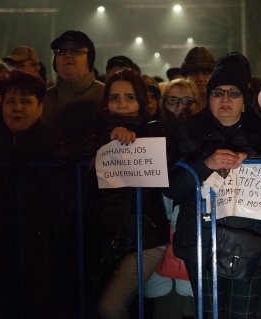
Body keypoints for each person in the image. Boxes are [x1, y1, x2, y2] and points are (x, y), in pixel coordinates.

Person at [165, 52, 261, 318]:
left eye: (233, 93)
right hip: (201, 241)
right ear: (208, 98)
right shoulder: (187, 131)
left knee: (243, 314)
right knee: (209, 314)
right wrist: (205, 164)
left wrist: (253, 162)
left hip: (251, 242)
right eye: (217, 92)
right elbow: (172, 187)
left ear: (245, 100)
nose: (225, 99)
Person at [0, 70, 76, 318]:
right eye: (10, 101)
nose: (16, 108)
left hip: (43, 253)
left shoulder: (56, 143)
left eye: (25, 101)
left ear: (40, 106)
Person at [88, 68, 177, 319]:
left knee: (110, 306)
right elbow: (64, 153)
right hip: (106, 237)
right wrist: (106, 140)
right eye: (114, 97)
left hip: (145, 239)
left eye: (129, 97)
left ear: (140, 100)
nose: (122, 104)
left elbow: (168, 158)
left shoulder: (157, 129)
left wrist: (130, 141)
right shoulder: (94, 130)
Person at [42, 30, 105, 151]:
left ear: (90, 59)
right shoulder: (44, 98)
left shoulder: (106, 95)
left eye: (76, 51)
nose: (68, 55)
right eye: (61, 51)